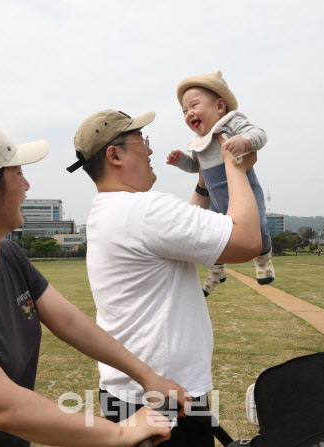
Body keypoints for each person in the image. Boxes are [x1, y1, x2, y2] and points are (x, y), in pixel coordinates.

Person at [0, 119, 192, 447]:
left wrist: (148, 377)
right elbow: (2, 409)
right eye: (17, 173)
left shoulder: (8, 256)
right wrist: (119, 432)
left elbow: (70, 321)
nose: (27, 185)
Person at [66, 109, 263, 446]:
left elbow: (180, 235)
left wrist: (203, 183)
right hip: (166, 397)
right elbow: (247, 241)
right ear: (114, 155)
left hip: (132, 391)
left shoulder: (109, 211)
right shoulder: (145, 210)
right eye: (142, 141)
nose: (150, 150)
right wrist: (234, 163)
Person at [167, 70, 274, 295]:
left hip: (246, 193)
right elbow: (197, 168)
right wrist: (181, 161)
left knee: (260, 227)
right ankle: (217, 273)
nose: (189, 113)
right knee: (211, 237)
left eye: (194, 105)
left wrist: (244, 142)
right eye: (185, 111)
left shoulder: (231, 124)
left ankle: (263, 261)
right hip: (216, 199)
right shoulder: (200, 141)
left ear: (220, 106)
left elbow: (260, 134)